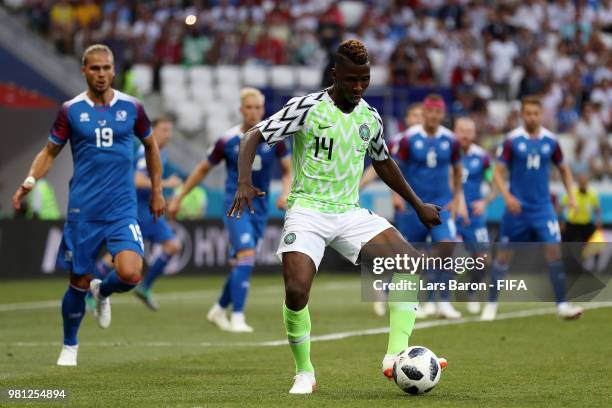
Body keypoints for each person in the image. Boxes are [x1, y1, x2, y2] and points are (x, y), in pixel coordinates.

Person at [227, 40, 444, 394]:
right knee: (297, 292)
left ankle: (393, 356)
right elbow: (253, 135)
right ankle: (304, 372)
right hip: (307, 209)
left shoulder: (369, 117)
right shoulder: (307, 108)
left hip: (348, 211)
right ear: (335, 74)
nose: (358, 87)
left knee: (410, 264)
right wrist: (244, 181)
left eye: (365, 79)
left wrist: (418, 204)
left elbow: (383, 160)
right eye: (351, 79)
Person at [11, 44, 165, 366]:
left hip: (122, 209)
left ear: (114, 70)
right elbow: (49, 152)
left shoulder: (133, 107)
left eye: (107, 68)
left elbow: (151, 147)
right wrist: (29, 180)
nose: (101, 74)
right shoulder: (71, 110)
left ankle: (104, 291)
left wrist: (157, 191)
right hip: (84, 210)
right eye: (95, 68)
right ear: (84, 71)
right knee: (77, 282)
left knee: (131, 273)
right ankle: (70, 346)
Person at [168, 87, 291, 333]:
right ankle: (237, 316)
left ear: (263, 109)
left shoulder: (273, 138)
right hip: (235, 205)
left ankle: (218, 309)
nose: (254, 112)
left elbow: (288, 170)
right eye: (249, 107)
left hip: (261, 207)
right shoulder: (227, 140)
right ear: (241, 110)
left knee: (243, 260)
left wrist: (285, 193)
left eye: (258, 107)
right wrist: (180, 196)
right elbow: (203, 169)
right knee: (246, 254)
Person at [482, 96, 583, 321]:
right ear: (521, 115)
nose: (532, 117)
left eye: (536, 113)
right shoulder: (512, 140)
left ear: (541, 115)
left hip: (543, 208)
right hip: (516, 209)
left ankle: (562, 306)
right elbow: (497, 172)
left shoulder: (551, 140)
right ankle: (490, 304)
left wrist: (572, 195)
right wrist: (507, 197)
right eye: (528, 113)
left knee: (554, 252)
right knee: (503, 256)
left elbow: (564, 169)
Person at [94, 117, 182, 311]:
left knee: (173, 246)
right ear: (154, 131)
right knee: (117, 256)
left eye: (170, 130)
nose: (169, 134)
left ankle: (144, 288)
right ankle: (88, 292)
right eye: (164, 130)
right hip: (135, 209)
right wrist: (166, 184)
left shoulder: (162, 151)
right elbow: (137, 180)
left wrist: (161, 197)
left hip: (148, 208)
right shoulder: (145, 150)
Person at [393, 94, 468, 319]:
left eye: (438, 112)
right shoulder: (408, 139)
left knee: (446, 247)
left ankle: (442, 301)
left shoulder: (451, 140)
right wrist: (396, 195)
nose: (434, 116)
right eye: (430, 111)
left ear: (442, 114)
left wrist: (456, 198)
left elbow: (457, 170)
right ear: (424, 113)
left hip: (441, 206)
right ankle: (409, 303)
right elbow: (395, 169)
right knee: (408, 256)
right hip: (413, 206)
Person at [359, 103, 423, 317]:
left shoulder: (428, 142)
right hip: (406, 206)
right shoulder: (398, 142)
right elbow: (380, 168)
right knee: (404, 255)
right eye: (414, 114)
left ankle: (423, 299)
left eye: (421, 115)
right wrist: (358, 187)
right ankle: (385, 291)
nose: (418, 119)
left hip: (426, 205)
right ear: (407, 118)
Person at [454, 117, 496, 315]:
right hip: (451, 213)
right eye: (461, 130)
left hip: (474, 217)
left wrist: (485, 201)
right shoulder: (446, 152)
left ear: (474, 134)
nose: (465, 135)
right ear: (455, 131)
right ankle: (433, 299)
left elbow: (496, 184)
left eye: (469, 131)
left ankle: (471, 291)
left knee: (483, 259)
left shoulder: (482, 157)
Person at [560, 172, 601, 243]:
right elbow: (561, 207)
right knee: (576, 244)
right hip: (573, 225)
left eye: (584, 183)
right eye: (581, 183)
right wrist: (561, 221)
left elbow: (597, 208)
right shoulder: (571, 193)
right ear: (578, 183)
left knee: (598, 242)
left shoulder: (592, 195)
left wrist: (598, 220)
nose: (583, 185)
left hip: (586, 224)